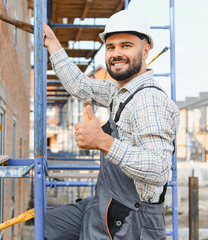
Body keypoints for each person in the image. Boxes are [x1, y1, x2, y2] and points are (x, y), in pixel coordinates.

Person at [43, 10, 180, 240]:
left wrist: (102, 141)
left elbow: (158, 168)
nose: (116, 54)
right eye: (111, 47)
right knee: (46, 226)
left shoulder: (149, 100)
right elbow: (80, 85)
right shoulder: (119, 92)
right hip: (106, 201)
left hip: (131, 220)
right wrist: (53, 44)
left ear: (145, 50)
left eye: (126, 46)